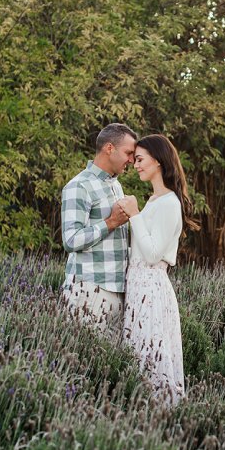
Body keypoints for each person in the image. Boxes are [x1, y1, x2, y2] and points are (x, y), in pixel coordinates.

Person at [118, 134, 199, 405]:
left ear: (158, 161)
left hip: (152, 289)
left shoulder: (169, 203)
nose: (136, 165)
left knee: (151, 355)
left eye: (140, 160)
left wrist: (134, 215)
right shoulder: (154, 200)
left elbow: (153, 254)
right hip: (138, 287)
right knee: (137, 355)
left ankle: (162, 419)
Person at [60, 123, 137, 340]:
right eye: (128, 153)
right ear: (109, 148)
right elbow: (71, 240)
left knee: (110, 367)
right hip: (90, 291)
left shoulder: (116, 185)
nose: (131, 160)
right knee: (84, 363)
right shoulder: (79, 186)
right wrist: (110, 222)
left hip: (118, 291)